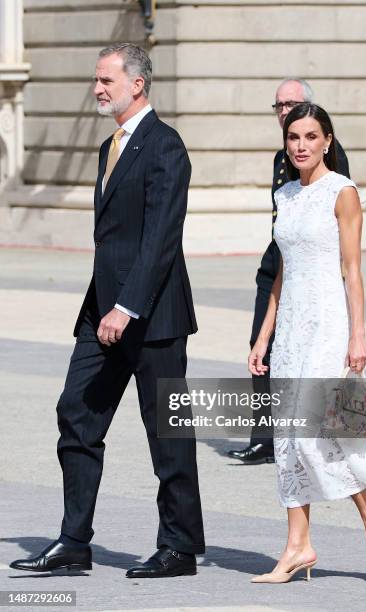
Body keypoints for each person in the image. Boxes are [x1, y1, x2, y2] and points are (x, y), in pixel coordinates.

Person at [10, 43, 205, 579]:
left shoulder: (166, 146)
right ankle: (74, 541)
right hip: (103, 316)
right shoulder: (108, 147)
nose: (97, 88)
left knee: (167, 432)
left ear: (136, 84)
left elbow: (160, 239)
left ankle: (181, 547)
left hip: (153, 316)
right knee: (76, 413)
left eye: (105, 80)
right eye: (96, 80)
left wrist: (127, 306)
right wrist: (108, 308)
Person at [248, 102, 366, 583]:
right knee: (289, 439)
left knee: (319, 430)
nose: (301, 145)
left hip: (330, 325)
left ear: (327, 141)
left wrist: (358, 334)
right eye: (294, 137)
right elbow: (280, 273)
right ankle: (298, 546)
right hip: (293, 327)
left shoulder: (343, 193)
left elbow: (352, 270)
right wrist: (263, 337)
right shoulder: (287, 195)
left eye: (311, 137)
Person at [228, 79, 350, 464]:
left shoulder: (331, 165)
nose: (283, 110)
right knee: (261, 350)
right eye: (279, 105)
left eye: (291, 103)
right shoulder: (281, 160)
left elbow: (337, 236)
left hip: (315, 281)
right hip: (278, 267)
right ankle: (266, 436)